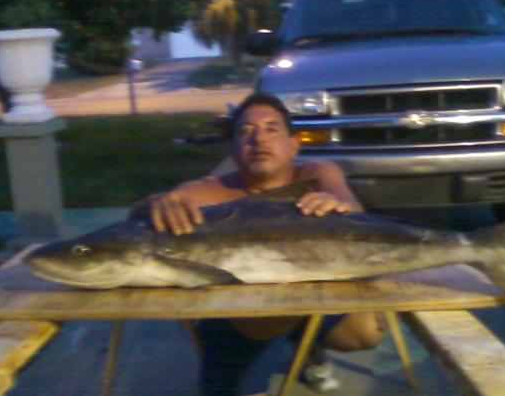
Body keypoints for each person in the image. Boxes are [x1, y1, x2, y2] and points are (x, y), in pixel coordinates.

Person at [140, 92, 387, 396]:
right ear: (233, 148)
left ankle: (307, 348)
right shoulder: (214, 191)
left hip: (310, 298)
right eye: (246, 131)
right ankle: (268, 350)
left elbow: (356, 213)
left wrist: (336, 206)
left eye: (272, 129)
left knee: (366, 332)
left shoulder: (316, 174)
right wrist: (157, 202)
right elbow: (155, 210)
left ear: (294, 143)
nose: (259, 140)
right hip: (238, 320)